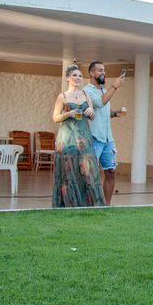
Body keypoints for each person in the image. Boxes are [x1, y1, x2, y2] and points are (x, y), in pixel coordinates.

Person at [51, 64, 106, 207]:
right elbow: (55, 118)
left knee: (88, 170)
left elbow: (92, 116)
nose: (78, 78)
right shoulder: (62, 96)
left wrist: (90, 112)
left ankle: (90, 204)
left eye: (80, 76)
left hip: (84, 138)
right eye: (75, 75)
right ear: (68, 78)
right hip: (67, 138)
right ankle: (70, 203)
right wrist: (68, 113)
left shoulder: (85, 95)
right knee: (69, 170)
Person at [83, 61, 126, 205]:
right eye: (100, 70)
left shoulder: (103, 90)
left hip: (108, 139)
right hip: (95, 138)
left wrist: (115, 113)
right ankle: (90, 203)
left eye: (104, 70)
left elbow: (102, 110)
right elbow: (100, 103)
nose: (103, 73)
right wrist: (115, 86)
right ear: (92, 73)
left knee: (111, 172)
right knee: (91, 173)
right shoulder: (87, 91)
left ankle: (107, 205)